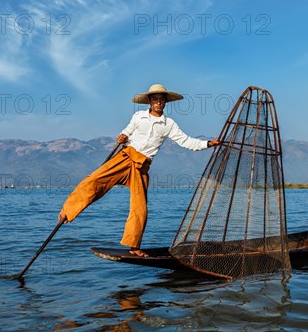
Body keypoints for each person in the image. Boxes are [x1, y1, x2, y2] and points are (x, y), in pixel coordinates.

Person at [57, 84, 220, 257]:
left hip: (141, 166)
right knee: (94, 180)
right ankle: (68, 210)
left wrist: (208, 143)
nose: (158, 103)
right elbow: (126, 132)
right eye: (155, 99)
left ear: (165, 102)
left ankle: (134, 247)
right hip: (125, 157)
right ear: (149, 101)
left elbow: (187, 142)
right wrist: (122, 136)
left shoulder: (169, 124)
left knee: (140, 207)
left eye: (161, 100)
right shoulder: (138, 116)